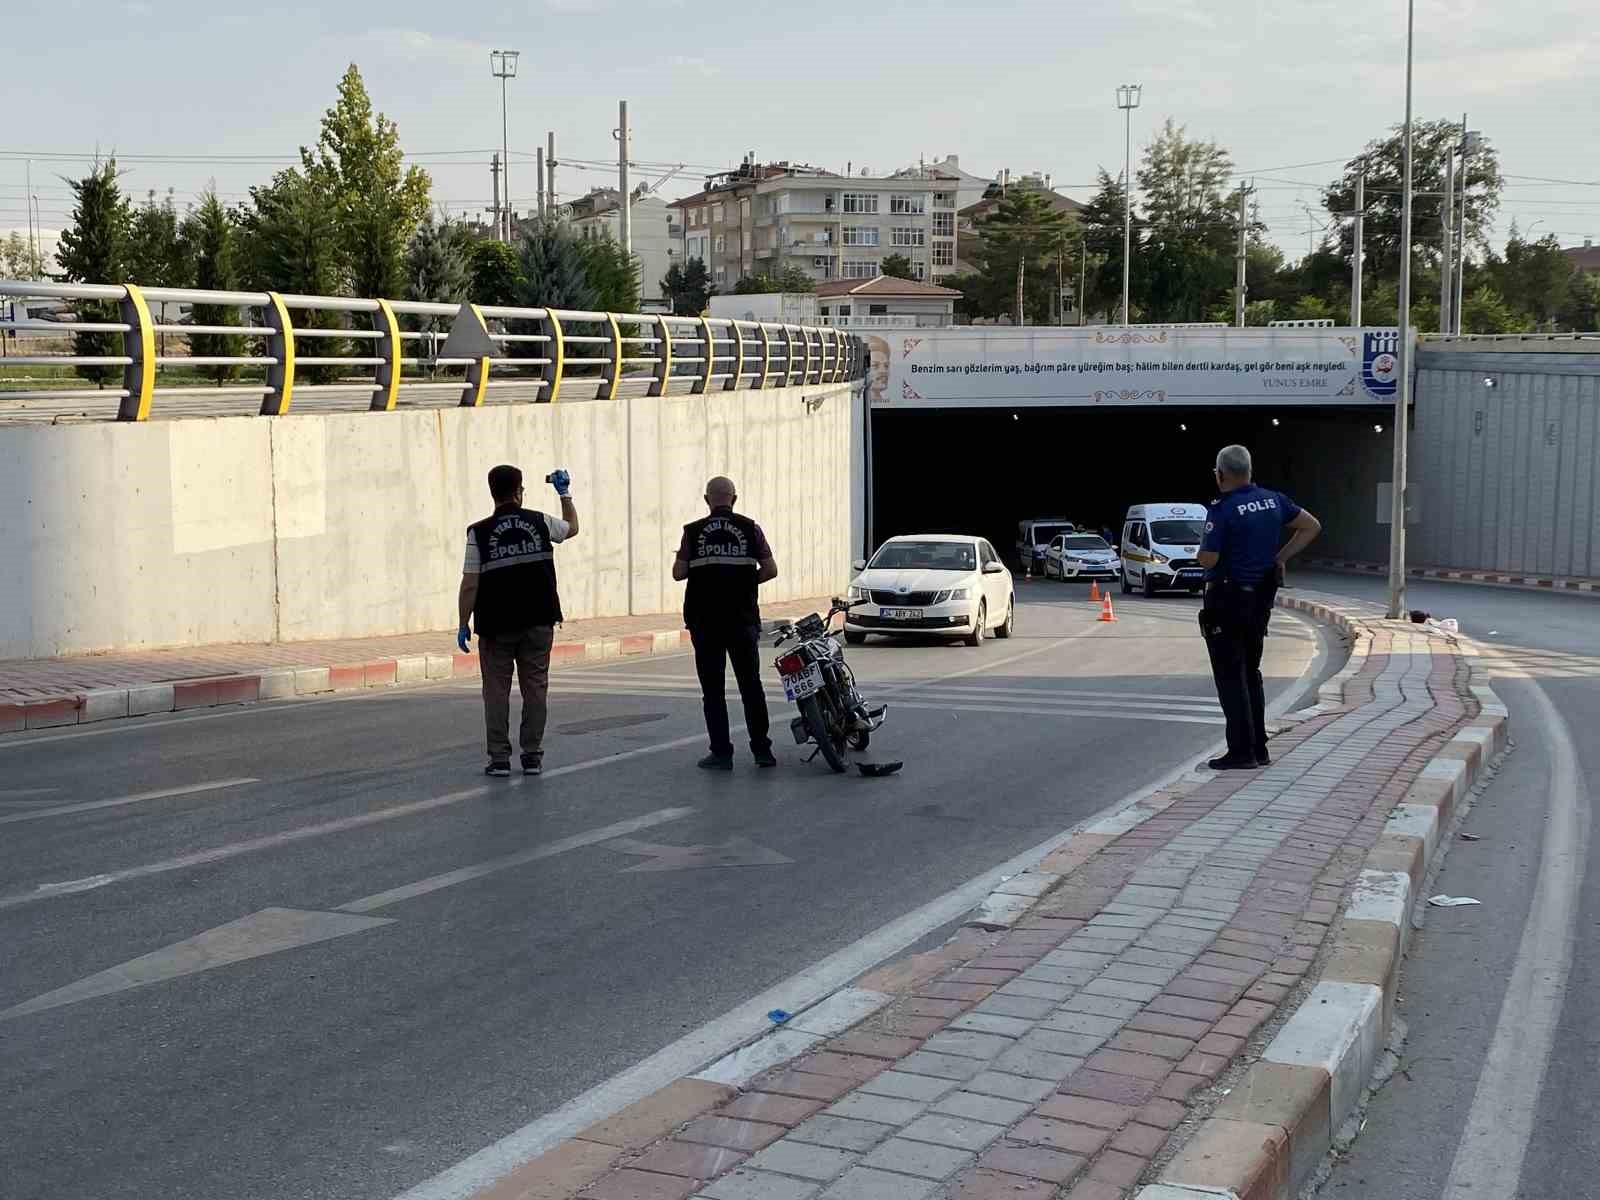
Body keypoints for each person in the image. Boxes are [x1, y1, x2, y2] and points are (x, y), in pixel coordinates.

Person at [1196, 444, 1321, 771]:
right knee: (1251, 672)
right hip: (1259, 600)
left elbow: (1208, 558)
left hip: (1226, 599)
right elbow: (1311, 526)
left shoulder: (1222, 509)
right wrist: (1279, 557)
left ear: (1221, 474)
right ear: (1250, 471)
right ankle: (1259, 748)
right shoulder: (1274, 500)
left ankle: (1241, 751)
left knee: (1230, 676)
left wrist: (1201, 551)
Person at [457, 465, 580, 777]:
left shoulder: (479, 532)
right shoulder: (539, 521)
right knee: (535, 688)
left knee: (496, 691)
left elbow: (470, 583)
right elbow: (572, 528)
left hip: (496, 626)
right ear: (518, 491)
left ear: (492, 492)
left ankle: (499, 759)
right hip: (539, 620)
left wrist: (463, 623)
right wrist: (564, 494)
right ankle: (532, 756)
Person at [673, 477, 779, 770]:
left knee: (713, 691)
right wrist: (745, 583)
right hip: (742, 619)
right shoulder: (751, 528)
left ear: (707, 500)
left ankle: (721, 753)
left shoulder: (692, 532)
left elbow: (678, 573)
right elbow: (770, 569)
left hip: (705, 622)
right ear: (734, 498)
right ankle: (762, 751)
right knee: (751, 686)